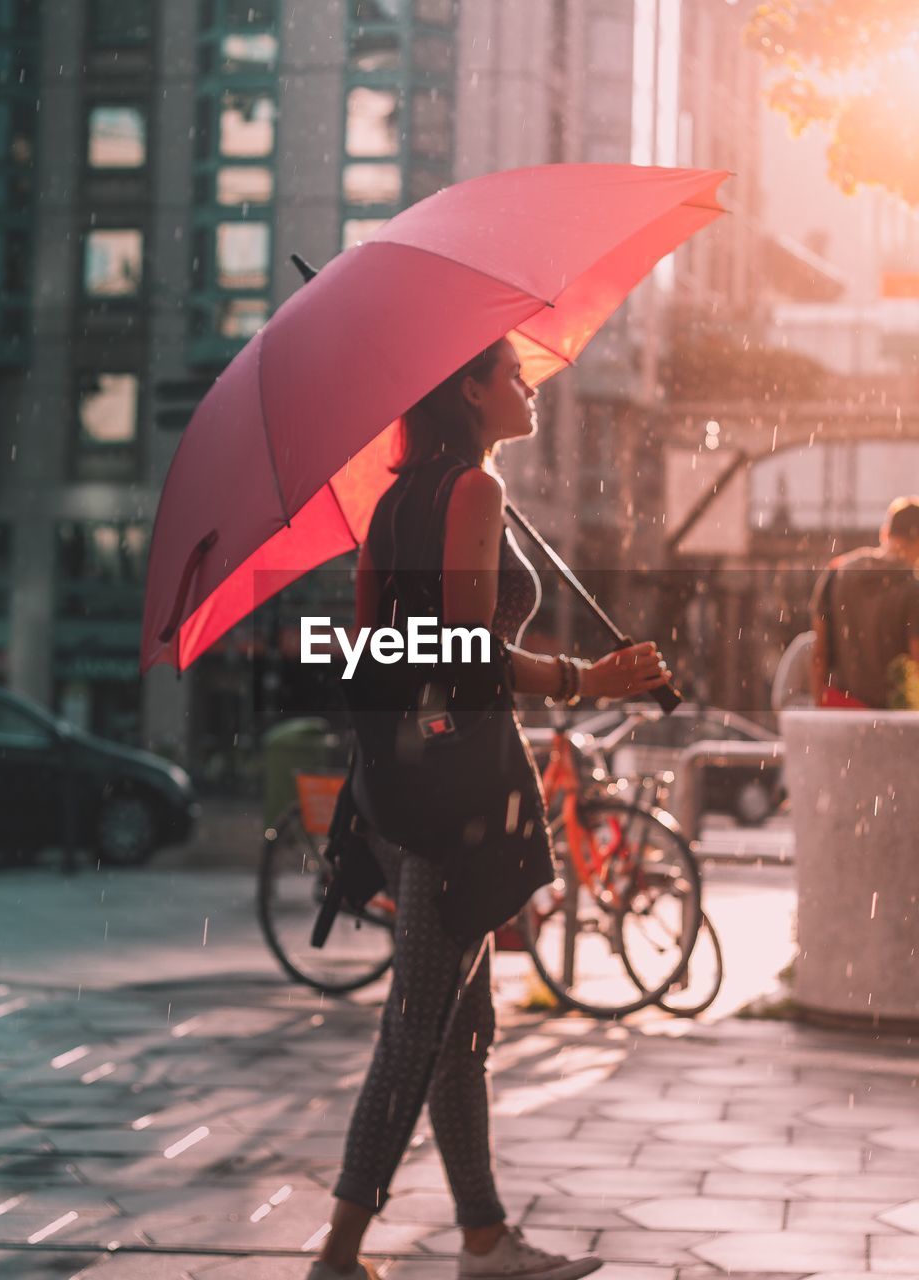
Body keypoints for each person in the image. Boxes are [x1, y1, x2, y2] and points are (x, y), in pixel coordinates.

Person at [307, 338, 672, 1280]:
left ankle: (482, 1239)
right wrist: (585, 679)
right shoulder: (471, 493)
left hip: (392, 791)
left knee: (463, 1026)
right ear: (468, 390)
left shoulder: (394, 503)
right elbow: (467, 654)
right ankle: (338, 1257)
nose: (527, 385)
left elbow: (371, 655)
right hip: (455, 799)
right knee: (421, 1024)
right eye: (512, 374)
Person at [810, 496, 919, 709]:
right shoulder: (913, 591)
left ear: (885, 533)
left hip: (839, 708)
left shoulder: (836, 571)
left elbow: (818, 654)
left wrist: (820, 705)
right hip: (889, 720)